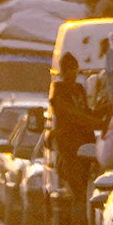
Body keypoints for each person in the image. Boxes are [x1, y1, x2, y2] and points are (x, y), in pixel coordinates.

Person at [48, 53, 97, 194]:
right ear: (63, 71)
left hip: (85, 143)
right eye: (69, 69)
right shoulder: (57, 89)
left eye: (74, 68)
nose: (73, 72)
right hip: (69, 146)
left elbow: (86, 111)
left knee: (85, 186)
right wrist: (96, 122)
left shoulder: (79, 89)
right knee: (77, 188)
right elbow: (72, 114)